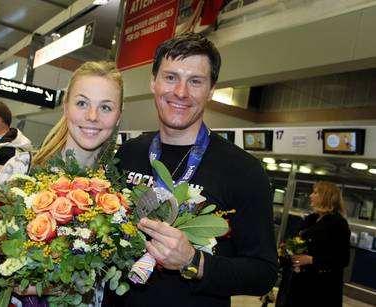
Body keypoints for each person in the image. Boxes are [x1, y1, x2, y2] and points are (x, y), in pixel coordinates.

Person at [103, 32, 277, 307]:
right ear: (153, 81)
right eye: (171, 77)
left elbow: (263, 273)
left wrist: (194, 262)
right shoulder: (128, 153)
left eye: (195, 81)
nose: (181, 92)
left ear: (210, 90)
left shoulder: (244, 170)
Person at [0, 61, 123, 306]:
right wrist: (19, 280)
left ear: (119, 116)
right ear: (66, 106)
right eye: (82, 103)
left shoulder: (116, 191)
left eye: (105, 107)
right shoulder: (22, 169)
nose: (92, 117)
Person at [280, 181, 350, 307]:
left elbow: (342, 259)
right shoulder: (311, 219)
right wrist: (287, 249)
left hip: (320, 289)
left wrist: (312, 260)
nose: (310, 195)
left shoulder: (338, 223)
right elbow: (296, 239)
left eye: (315, 193)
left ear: (326, 197)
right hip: (298, 283)